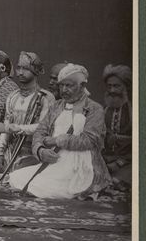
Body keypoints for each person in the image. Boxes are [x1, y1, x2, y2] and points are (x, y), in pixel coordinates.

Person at [9, 64, 111, 199]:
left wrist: (58, 140)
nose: (64, 90)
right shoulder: (56, 106)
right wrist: (40, 151)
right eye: (61, 85)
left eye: (69, 86)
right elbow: (40, 132)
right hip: (55, 161)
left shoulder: (94, 109)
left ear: (82, 86)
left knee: (46, 188)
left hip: (82, 165)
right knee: (17, 178)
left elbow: (90, 140)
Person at [0, 51, 55, 177]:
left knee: (21, 171)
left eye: (26, 69)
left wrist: (9, 128)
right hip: (11, 151)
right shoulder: (13, 96)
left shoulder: (45, 98)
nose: (20, 73)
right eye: (19, 68)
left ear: (35, 71)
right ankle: (7, 171)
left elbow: (41, 128)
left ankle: (13, 173)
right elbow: (4, 133)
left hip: (32, 152)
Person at [102, 64, 132, 187]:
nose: (112, 91)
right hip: (107, 159)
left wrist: (119, 162)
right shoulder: (104, 110)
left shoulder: (134, 110)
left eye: (116, 86)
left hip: (128, 161)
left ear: (126, 87)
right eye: (109, 86)